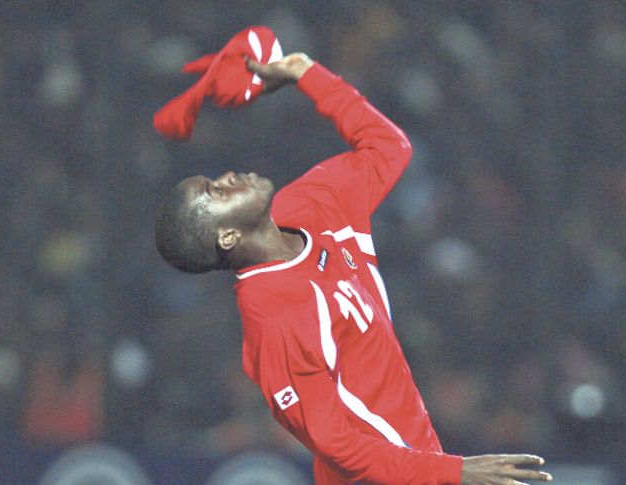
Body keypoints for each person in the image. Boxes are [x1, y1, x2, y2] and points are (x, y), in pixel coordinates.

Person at [155, 52, 553, 485]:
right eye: (216, 192)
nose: (228, 176)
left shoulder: (308, 204)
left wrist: (307, 75)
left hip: (418, 465)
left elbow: (388, 146)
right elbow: (336, 445)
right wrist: (453, 472)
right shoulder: (272, 317)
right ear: (228, 237)